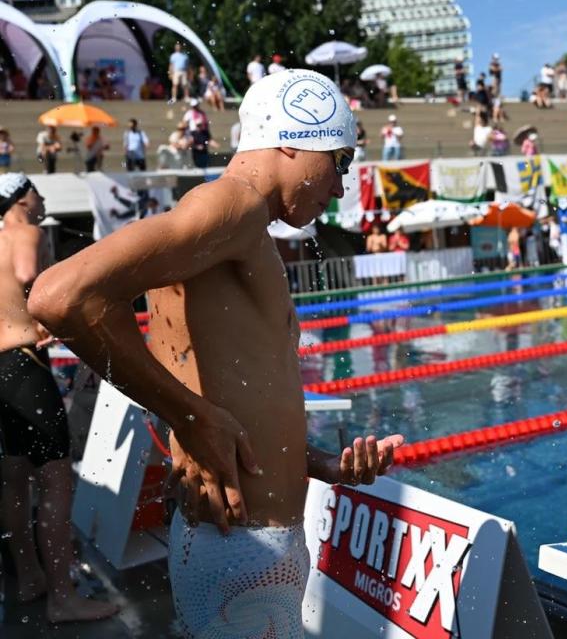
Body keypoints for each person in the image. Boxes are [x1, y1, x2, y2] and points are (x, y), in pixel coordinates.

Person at [28, 70, 403, 637]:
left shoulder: (238, 227)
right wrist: (190, 417)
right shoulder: (234, 206)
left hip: (246, 547)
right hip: (243, 551)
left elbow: (232, 393)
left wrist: (316, 462)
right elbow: (59, 297)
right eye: (340, 161)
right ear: (293, 141)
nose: (340, 186)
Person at [0, 173, 119, 624]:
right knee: (55, 480)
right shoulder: (24, 232)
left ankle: (30, 578)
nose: (42, 198)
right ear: (20, 198)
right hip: (26, 366)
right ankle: (63, 597)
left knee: (13, 479)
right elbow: (29, 276)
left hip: (1, 370)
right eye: (36, 192)